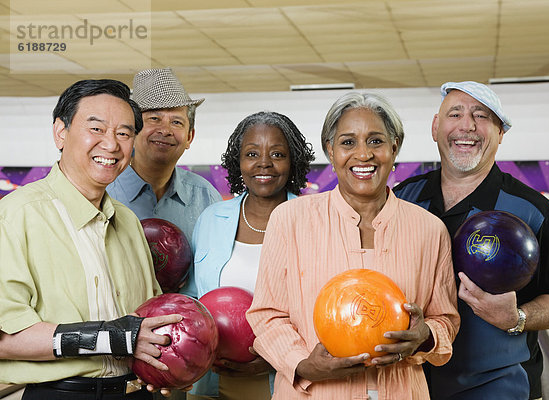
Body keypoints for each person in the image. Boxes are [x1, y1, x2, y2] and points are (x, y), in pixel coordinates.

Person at [246, 92, 460, 399]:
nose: (363, 154)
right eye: (348, 142)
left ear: (394, 147)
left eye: (376, 141)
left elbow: (445, 320)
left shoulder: (429, 230)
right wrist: (304, 365)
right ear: (330, 151)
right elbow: (267, 315)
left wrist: (425, 336)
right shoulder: (290, 220)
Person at [393, 81, 549, 400]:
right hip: (409, 384)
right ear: (435, 127)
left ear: (500, 134)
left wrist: (517, 318)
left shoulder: (534, 210)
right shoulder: (401, 200)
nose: (467, 125)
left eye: (482, 116)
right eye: (455, 113)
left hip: (500, 388)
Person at [0, 79, 184, 399]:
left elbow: (147, 319)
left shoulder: (127, 221)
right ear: (60, 132)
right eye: (96, 129)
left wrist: (173, 363)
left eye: (124, 133)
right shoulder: (15, 215)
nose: (111, 145)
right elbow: (5, 339)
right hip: (52, 393)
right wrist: (117, 339)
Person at [181, 111, 315, 399]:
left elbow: (320, 310)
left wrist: (276, 357)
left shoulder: (313, 223)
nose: (263, 163)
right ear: (238, 162)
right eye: (252, 153)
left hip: (285, 379)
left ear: (293, 162)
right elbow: (192, 298)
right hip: (211, 378)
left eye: (277, 154)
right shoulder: (211, 219)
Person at [107, 67, 221, 243]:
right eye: (154, 119)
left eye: (176, 122)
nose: (165, 130)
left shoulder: (206, 197)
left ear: (189, 137)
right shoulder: (103, 192)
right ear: (132, 129)